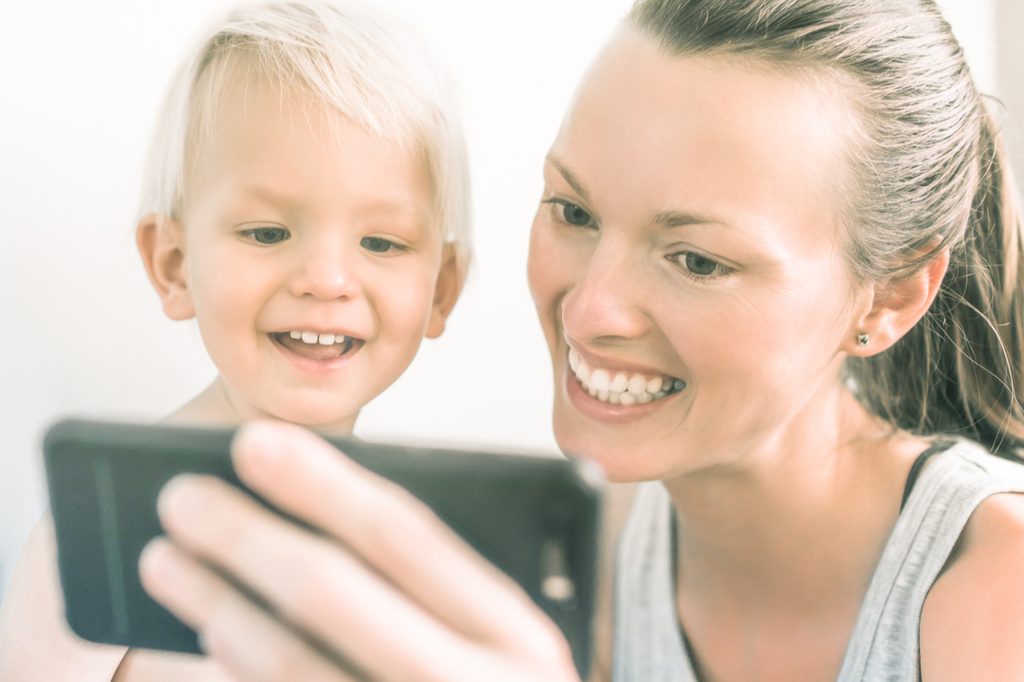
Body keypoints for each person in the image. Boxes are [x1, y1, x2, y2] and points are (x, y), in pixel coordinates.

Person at [118, 0, 1024, 680]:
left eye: (698, 260)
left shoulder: (997, 585)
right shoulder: (584, 562)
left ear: (894, 294)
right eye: (574, 210)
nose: (588, 310)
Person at [0, 1, 469, 679]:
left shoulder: (425, 548)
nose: (327, 280)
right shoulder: (105, 529)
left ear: (442, 288)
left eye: (381, 242)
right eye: (268, 233)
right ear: (174, 265)